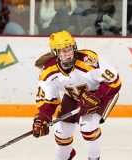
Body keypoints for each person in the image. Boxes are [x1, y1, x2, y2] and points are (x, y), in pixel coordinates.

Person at [32, 30, 121, 160]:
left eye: (70, 49)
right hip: (75, 96)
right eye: (63, 51)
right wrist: (43, 117)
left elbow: (114, 81)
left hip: (103, 93)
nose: (68, 54)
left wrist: (97, 96)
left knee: (88, 126)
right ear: (56, 53)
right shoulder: (48, 71)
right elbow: (47, 100)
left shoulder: (88, 60)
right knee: (61, 131)